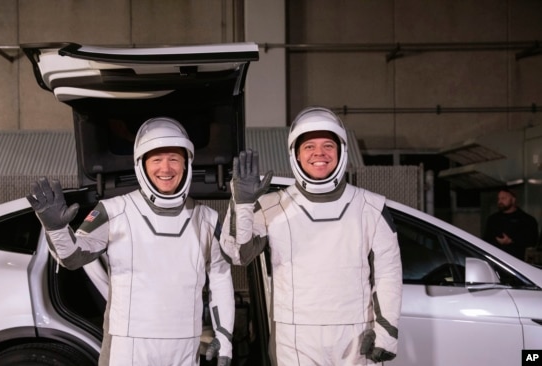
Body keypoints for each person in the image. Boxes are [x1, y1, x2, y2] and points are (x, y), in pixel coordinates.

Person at [27, 117, 234, 366]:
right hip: (128, 345)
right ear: (142, 165)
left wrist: (224, 334)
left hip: (185, 344)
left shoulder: (208, 219)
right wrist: (57, 229)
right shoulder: (113, 211)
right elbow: (72, 257)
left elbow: (221, 278)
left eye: (174, 159)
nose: (165, 169)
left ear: (187, 164)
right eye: (156, 160)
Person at [220, 106, 402, 365]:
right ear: (295, 153)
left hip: (356, 335)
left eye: (328, 145)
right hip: (295, 337)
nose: (319, 153)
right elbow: (237, 254)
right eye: (309, 147)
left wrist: (386, 334)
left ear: (341, 151)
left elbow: (389, 274)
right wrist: (242, 204)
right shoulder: (272, 205)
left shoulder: (371, 208)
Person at [483, 188, 538, 261]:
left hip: (518, 262)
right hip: (496, 261)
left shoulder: (527, 220)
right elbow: (486, 240)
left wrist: (512, 241)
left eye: (503, 198)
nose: (500, 201)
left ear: (513, 199)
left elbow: (532, 241)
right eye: (498, 199)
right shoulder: (493, 219)